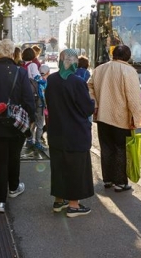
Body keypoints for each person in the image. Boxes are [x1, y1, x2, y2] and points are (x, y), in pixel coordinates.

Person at [0, 39, 36, 213]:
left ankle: (0, 201)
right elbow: (28, 99)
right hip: (15, 124)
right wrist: (30, 119)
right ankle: (14, 187)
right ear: (12, 53)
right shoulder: (20, 72)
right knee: (14, 156)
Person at [88, 44, 141, 192]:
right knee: (120, 148)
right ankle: (120, 182)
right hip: (121, 117)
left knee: (106, 147)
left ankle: (107, 179)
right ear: (128, 56)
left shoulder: (99, 69)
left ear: (113, 54)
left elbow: (89, 86)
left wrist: (95, 104)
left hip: (102, 116)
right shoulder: (129, 71)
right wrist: (136, 117)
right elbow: (133, 98)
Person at [45, 49, 95, 217]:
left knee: (58, 167)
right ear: (74, 63)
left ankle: (59, 201)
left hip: (56, 131)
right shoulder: (77, 82)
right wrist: (93, 101)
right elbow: (87, 108)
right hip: (76, 133)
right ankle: (74, 205)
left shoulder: (51, 80)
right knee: (76, 168)